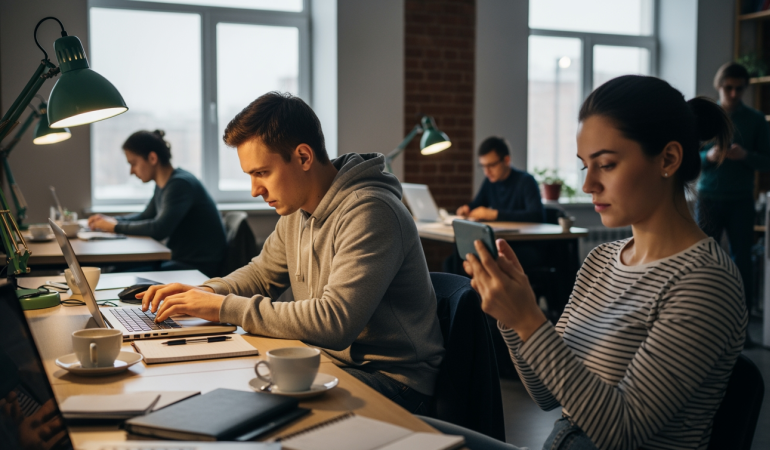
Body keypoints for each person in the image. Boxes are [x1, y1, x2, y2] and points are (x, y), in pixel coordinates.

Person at [422, 76, 748, 450]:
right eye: (584, 167)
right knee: (409, 431)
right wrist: (514, 317)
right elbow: (546, 394)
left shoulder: (705, 281)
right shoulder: (601, 260)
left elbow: (621, 431)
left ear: (669, 159)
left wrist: (530, 321)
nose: (588, 184)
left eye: (606, 164)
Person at [138, 92, 445, 414]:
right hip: (324, 359)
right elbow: (261, 273)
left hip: (395, 381)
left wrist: (222, 307)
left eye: (262, 173)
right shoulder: (296, 212)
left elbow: (335, 322)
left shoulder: (371, 211)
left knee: (247, 408)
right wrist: (204, 293)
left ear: (302, 157)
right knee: (219, 390)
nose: (255, 190)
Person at [696, 62, 770, 336]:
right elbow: (687, 158)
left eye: (739, 88)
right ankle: (701, 324)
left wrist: (745, 156)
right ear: (719, 86)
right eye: (728, 87)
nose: (733, 93)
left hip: (741, 200)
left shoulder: (756, 120)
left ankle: (742, 330)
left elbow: (767, 163)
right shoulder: (706, 117)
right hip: (708, 198)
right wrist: (709, 157)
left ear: (745, 89)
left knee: (743, 263)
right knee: (702, 261)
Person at [87, 130, 226, 277]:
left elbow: (159, 229)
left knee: (117, 274)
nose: (131, 171)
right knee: (117, 270)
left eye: (133, 163)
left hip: (196, 267)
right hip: (180, 260)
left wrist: (115, 227)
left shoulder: (180, 184)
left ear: (152, 158)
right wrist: (110, 221)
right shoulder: (164, 184)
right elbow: (146, 216)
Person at [456, 136, 544, 223]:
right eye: (483, 166)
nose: (487, 172)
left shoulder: (526, 181)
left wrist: (495, 214)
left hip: (524, 236)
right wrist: (467, 209)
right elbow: (477, 204)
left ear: (506, 160)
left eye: (491, 165)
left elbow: (536, 215)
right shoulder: (490, 181)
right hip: (500, 235)